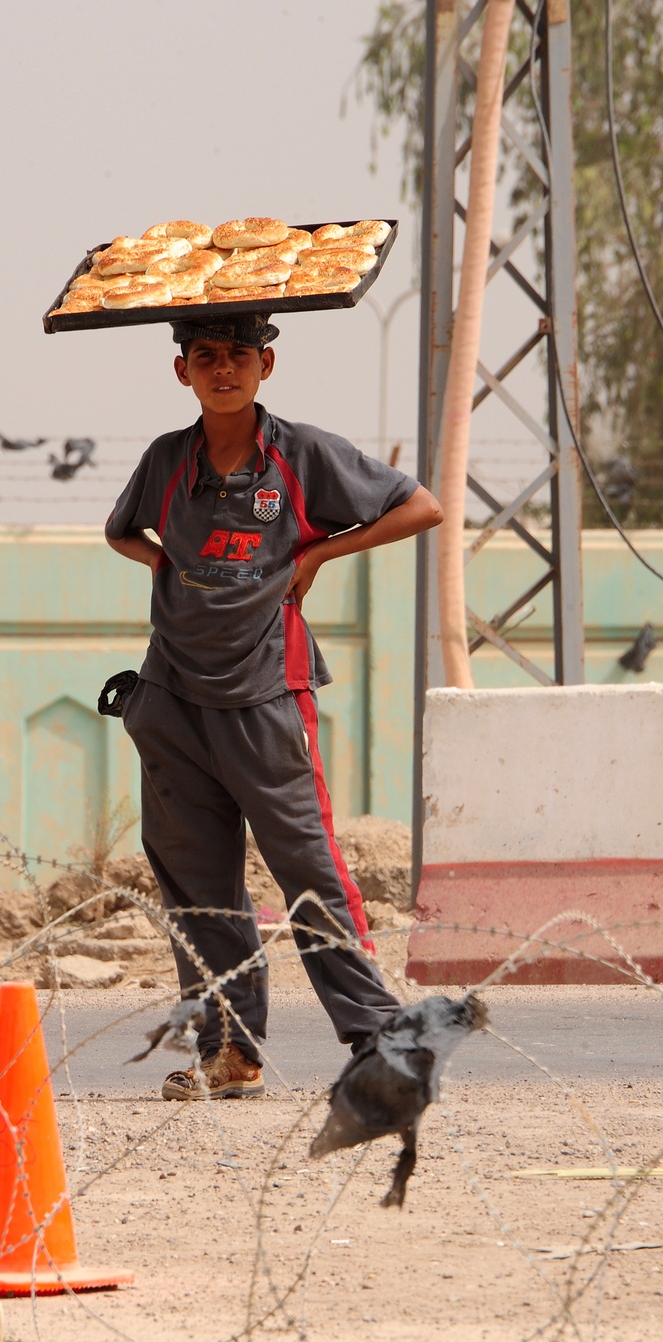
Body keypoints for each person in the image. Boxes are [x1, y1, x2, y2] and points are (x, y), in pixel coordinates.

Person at [103, 311, 442, 1100]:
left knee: (307, 870)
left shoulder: (301, 454)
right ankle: (231, 1053)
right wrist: (164, 564)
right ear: (181, 370)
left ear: (268, 366)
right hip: (171, 700)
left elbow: (419, 506)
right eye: (207, 356)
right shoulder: (166, 459)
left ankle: (380, 1043)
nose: (225, 370)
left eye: (241, 356)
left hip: (265, 698)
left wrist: (320, 549)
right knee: (197, 887)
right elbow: (122, 531)